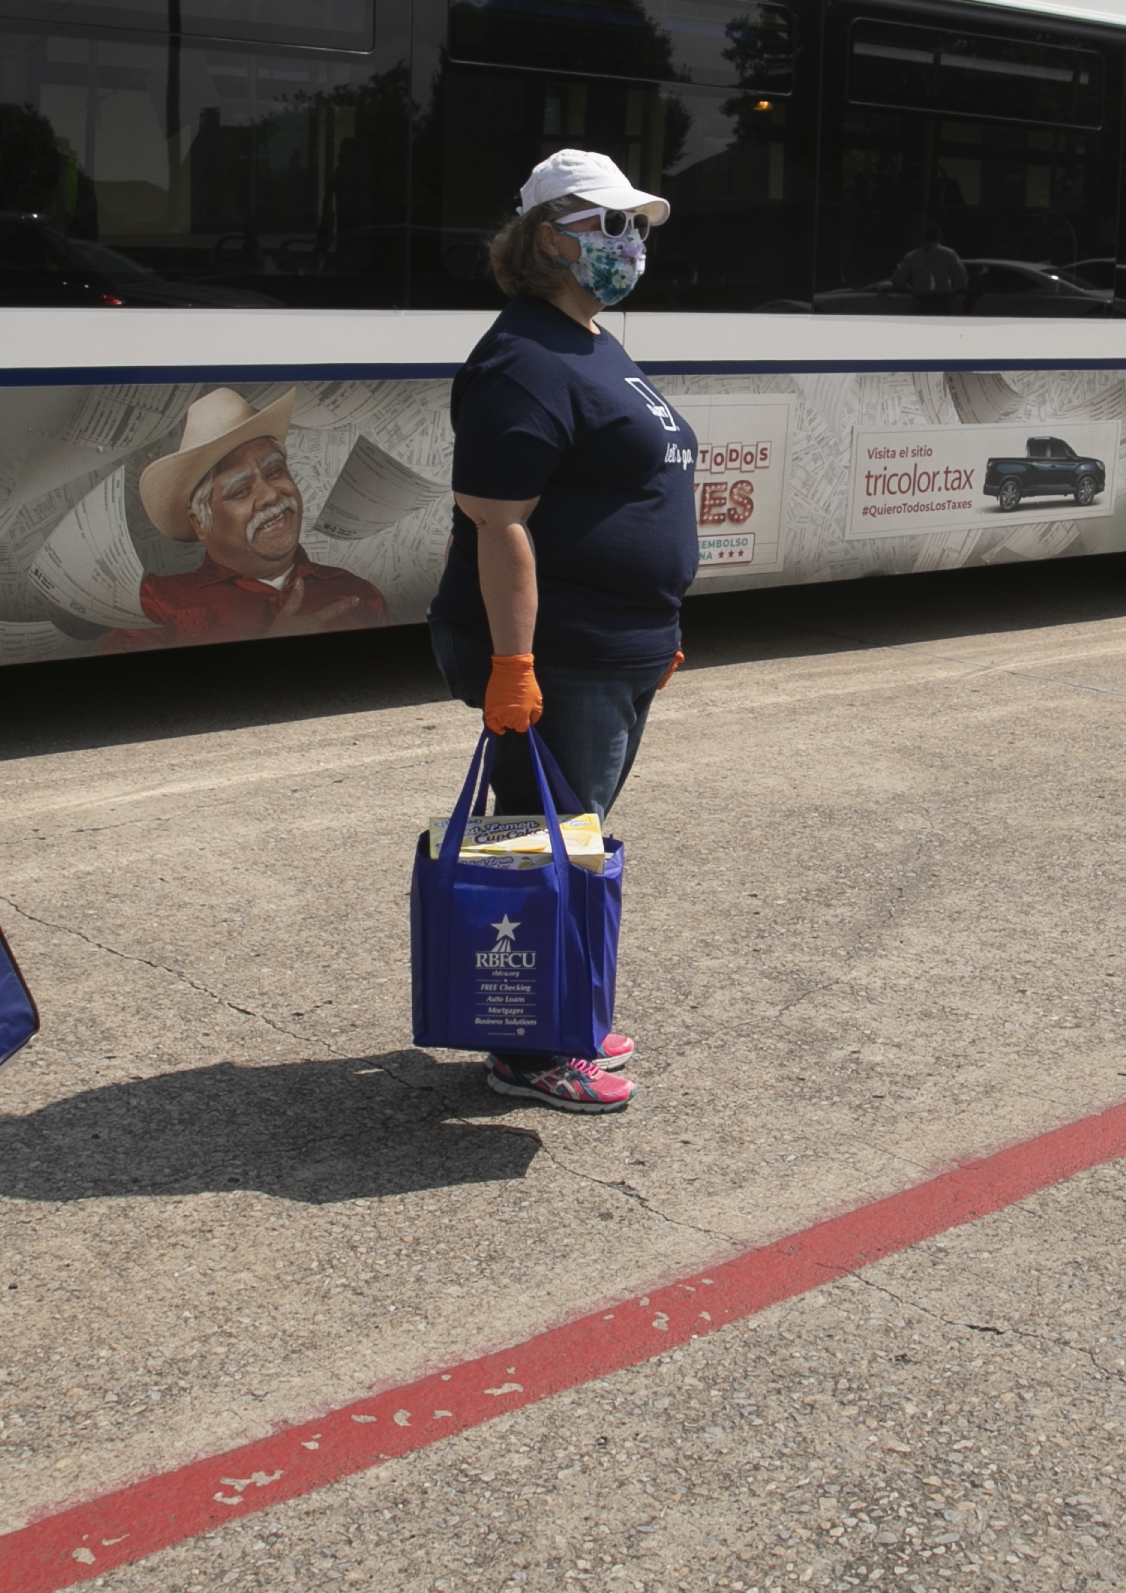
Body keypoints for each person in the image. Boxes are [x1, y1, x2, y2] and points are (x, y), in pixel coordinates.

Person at [431, 148, 696, 1116]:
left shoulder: (590, 341)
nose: (630, 243)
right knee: (543, 847)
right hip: (562, 655)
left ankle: (560, 1008)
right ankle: (531, 1048)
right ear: (548, 238)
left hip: (616, 648)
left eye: (637, 226)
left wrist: (659, 623)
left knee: (571, 840)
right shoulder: (523, 359)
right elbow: (498, 521)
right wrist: (511, 664)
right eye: (608, 225)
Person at [99, 388, 393, 649]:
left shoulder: (357, 593)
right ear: (200, 523)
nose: (270, 496)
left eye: (275, 472)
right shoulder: (155, 606)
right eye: (240, 490)